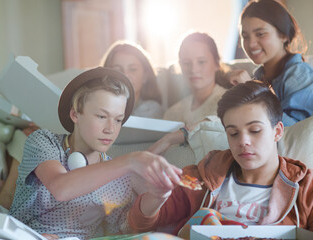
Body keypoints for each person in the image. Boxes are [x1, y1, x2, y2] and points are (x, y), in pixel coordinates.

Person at [8, 67, 181, 240]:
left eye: (118, 120)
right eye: (101, 116)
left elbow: (127, 229)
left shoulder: (117, 176)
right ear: (75, 114)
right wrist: (130, 161)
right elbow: (60, 188)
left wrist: (158, 197)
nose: (111, 129)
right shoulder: (44, 142)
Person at [128, 81, 313, 238]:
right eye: (233, 133)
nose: (243, 142)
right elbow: (139, 225)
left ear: (278, 131)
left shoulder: (305, 189)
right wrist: (157, 196)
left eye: (255, 130)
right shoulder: (202, 177)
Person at [227, 0, 313, 126]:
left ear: (284, 35)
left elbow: (295, 132)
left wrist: (253, 95)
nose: (251, 44)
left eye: (260, 34)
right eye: (245, 36)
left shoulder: (299, 74)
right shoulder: (258, 76)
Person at [163, 31, 227, 128]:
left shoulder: (229, 104)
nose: (193, 69)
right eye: (186, 63)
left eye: (201, 62)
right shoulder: (172, 113)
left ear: (217, 63)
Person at [101, 40, 164, 119]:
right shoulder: (97, 106)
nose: (125, 75)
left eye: (132, 69)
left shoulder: (151, 108)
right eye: (118, 70)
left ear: (145, 76)